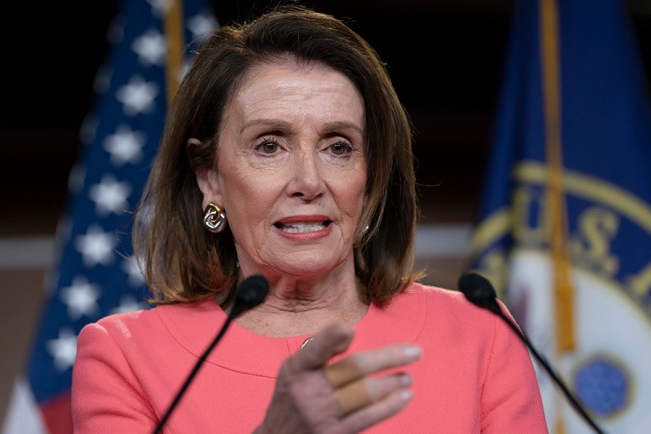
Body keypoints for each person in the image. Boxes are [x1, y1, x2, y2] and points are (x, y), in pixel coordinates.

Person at [71, 4, 548, 433]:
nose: (309, 180)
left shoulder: (477, 332)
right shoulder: (126, 357)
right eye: (269, 145)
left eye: (338, 146)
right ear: (209, 174)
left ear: (371, 174)